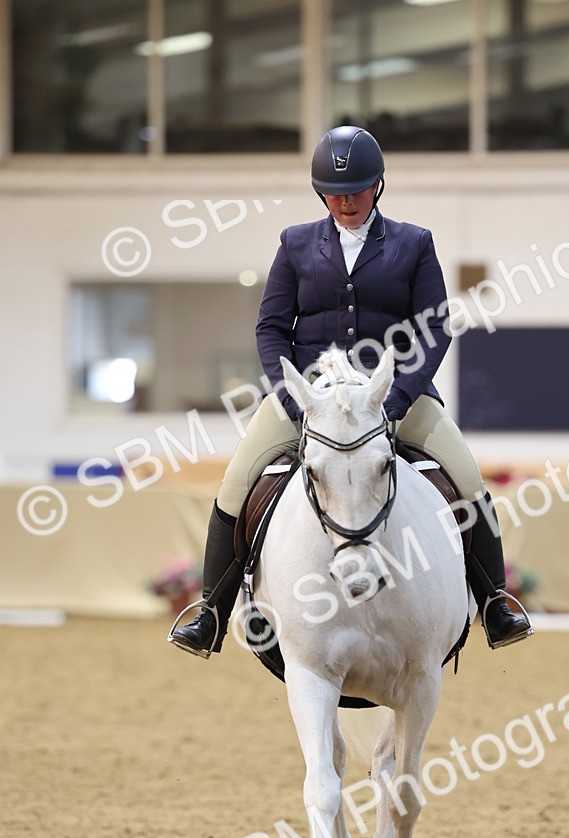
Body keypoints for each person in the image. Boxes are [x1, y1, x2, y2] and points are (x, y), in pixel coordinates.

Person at [170, 126, 532, 658]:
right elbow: (271, 328)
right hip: (311, 396)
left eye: (356, 190)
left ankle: (496, 601)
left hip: (394, 395)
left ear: (378, 186)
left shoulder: (414, 243)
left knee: (468, 478)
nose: (345, 201)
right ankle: (211, 611)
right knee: (236, 479)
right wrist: (293, 399)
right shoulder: (295, 244)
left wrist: (397, 399)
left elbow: (433, 328)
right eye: (334, 192)